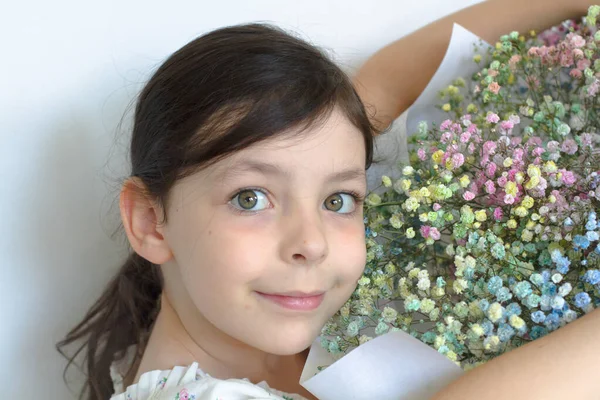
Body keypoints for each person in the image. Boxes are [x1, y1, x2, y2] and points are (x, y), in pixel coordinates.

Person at [57, 1, 600, 399]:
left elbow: (379, 88)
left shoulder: (248, 326)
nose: (311, 244)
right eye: (250, 198)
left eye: (339, 200)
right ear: (151, 221)